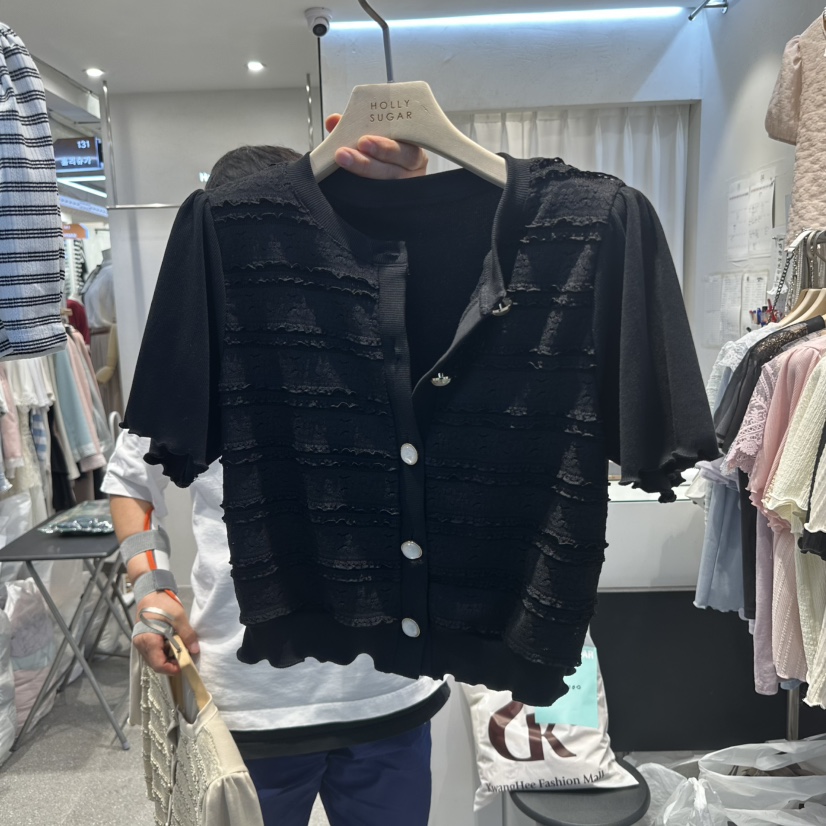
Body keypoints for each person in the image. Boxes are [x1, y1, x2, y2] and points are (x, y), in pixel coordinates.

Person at [104, 120, 441, 826]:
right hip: (251, 697)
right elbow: (132, 481)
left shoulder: (389, 342)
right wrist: (152, 591)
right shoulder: (196, 361)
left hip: (389, 690)